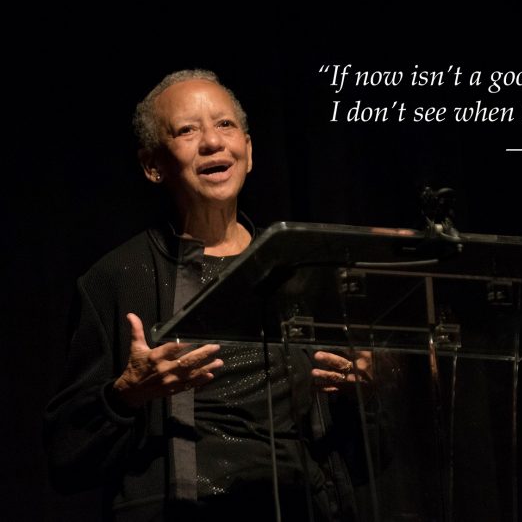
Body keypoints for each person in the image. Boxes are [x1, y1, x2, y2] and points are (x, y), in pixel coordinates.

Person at [44, 69, 374, 521]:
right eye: (186, 130)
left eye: (225, 125)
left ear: (249, 150)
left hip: (306, 506)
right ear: (152, 166)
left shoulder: (302, 270)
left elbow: (368, 455)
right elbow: (65, 458)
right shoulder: (118, 277)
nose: (213, 143)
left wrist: (363, 393)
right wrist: (125, 395)